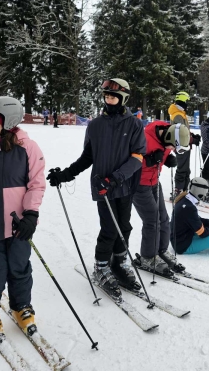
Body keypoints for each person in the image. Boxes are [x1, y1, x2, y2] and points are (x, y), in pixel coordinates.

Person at [46, 78, 146, 298]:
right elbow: (88, 156)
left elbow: (137, 157)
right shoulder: (95, 125)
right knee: (109, 228)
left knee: (124, 227)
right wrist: (66, 174)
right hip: (103, 186)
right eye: (107, 96)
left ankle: (118, 263)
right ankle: (101, 266)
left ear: (123, 99)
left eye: (113, 97)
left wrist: (116, 178)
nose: (109, 100)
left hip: (124, 185)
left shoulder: (135, 125)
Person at [0, 96, 45, 343]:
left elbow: (36, 184)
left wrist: (31, 215)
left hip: (19, 226)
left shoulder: (28, 148)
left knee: (20, 269)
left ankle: (21, 306)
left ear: (8, 120)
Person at [132, 121, 190, 275]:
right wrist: (149, 160)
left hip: (154, 182)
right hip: (138, 185)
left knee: (164, 219)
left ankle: (161, 251)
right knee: (152, 221)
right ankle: (147, 257)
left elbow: (165, 149)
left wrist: (167, 158)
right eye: (172, 147)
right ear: (168, 138)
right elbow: (128, 160)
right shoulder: (143, 138)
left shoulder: (168, 132)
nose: (171, 149)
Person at [170, 178, 209, 254]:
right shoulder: (189, 207)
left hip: (184, 236)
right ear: (201, 190)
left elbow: (195, 220)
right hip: (182, 245)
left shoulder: (185, 199)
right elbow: (202, 233)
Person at [168, 91, 200, 197]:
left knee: (186, 168)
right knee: (182, 168)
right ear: (182, 101)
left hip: (185, 145)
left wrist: (192, 136)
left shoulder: (180, 113)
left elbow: (185, 130)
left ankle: (184, 189)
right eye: (186, 101)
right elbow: (180, 133)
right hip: (180, 146)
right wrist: (191, 140)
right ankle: (178, 190)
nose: (187, 104)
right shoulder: (177, 115)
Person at [200, 110, 209, 183]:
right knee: (207, 168)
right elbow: (206, 140)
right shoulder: (205, 125)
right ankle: (204, 182)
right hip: (206, 151)